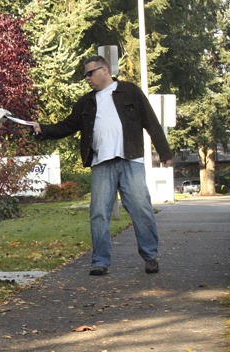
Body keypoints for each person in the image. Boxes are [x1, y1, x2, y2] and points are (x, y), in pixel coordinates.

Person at [28, 55, 173, 276]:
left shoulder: (130, 91)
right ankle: (100, 261)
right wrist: (42, 129)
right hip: (101, 163)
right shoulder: (86, 102)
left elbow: (151, 121)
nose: (87, 79)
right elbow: (67, 125)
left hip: (130, 160)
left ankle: (150, 257)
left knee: (141, 209)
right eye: (85, 75)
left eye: (90, 73)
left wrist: (165, 153)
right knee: (98, 213)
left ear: (105, 70)